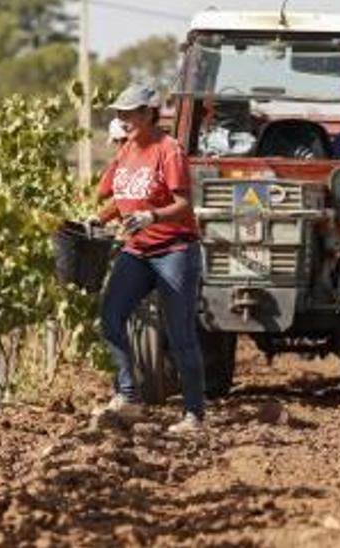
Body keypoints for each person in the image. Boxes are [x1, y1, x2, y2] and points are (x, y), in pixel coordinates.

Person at [89, 84, 206, 434]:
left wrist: (153, 217)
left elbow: (184, 204)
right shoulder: (125, 151)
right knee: (110, 315)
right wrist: (101, 217)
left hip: (175, 250)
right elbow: (122, 196)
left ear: (148, 113)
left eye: (128, 113)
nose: (122, 120)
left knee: (180, 332)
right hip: (137, 250)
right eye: (119, 114)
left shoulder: (168, 151)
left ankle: (194, 416)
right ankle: (129, 395)